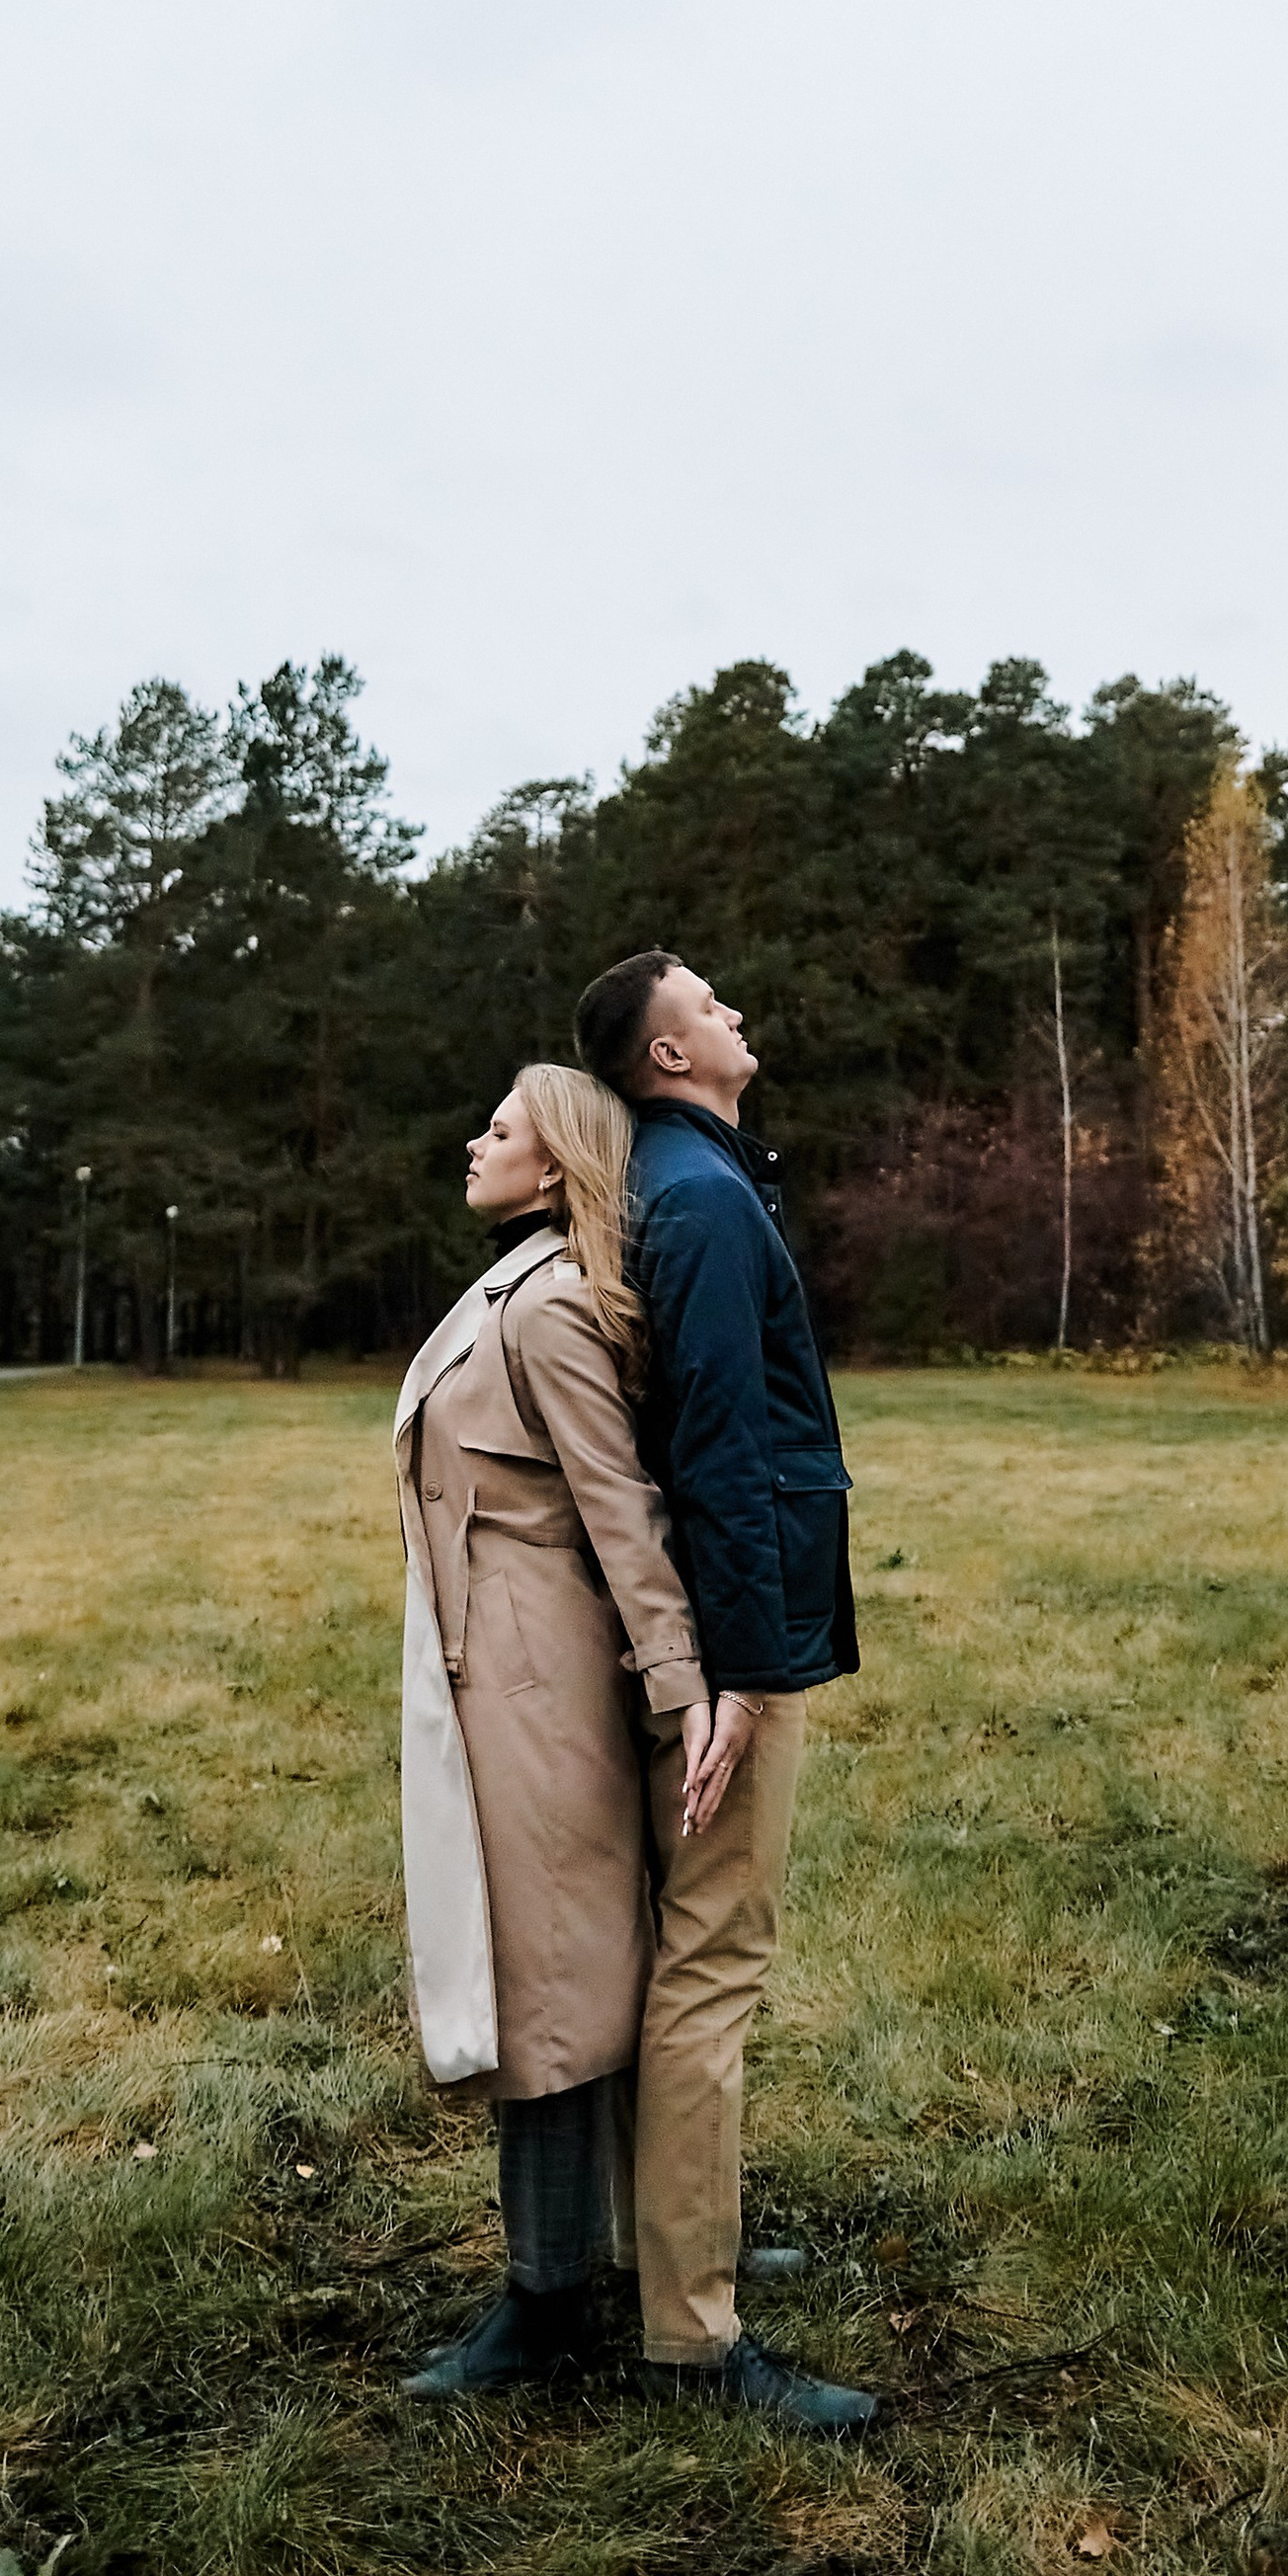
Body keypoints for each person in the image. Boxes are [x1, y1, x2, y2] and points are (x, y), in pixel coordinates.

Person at [572, 948, 876, 2435]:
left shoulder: (700, 1181)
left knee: (684, 1955)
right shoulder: (693, 1199)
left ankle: (678, 2237)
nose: (740, 1011)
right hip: (727, 1642)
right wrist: (743, 1673)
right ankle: (692, 2332)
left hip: (716, 1630)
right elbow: (714, 1447)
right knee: (711, 1963)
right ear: (670, 1058)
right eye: (712, 1003)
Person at [392, 1060, 710, 2397]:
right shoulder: (509, 1288)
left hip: (539, 1690)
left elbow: (622, 1509)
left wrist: (681, 1687)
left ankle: (547, 2302)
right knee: (557, 1971)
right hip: (496, 1676)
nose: (477, 1139)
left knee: (552, 1987)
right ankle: (610, 2253)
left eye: (503, 1127)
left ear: (559, 1161)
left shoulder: (555, 1307)